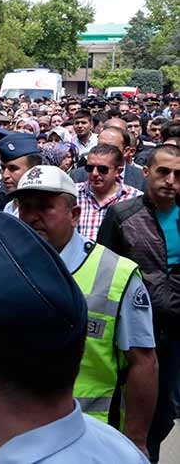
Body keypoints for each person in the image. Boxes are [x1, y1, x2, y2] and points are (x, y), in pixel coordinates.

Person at [0, 166, 157, 456]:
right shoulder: (5, 267)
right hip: (9, 431)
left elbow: (144, 364)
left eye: (45, 207)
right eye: (25, 207)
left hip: (85, 440)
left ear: (74, 215)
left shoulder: (116, 275)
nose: (32, 216)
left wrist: (136, 441)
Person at [97, 143, 180, 462]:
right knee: (125, 412)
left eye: (177, 174)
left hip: (172, 337)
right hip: (131, 335)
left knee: (163, 414)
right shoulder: (123, 215)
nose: (170, 180)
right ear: (146, 173)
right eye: (163, 172)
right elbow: (104, 272)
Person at [75, 144, 144, 242]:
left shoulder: (135, 199)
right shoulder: (73, 193)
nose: (94, 173)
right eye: (90, 168)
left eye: (102, 169)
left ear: (118, 171)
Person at [0, 133, 43, 217]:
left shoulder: (42, 210)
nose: (5, 175)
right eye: (3, 168)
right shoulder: (9, 206)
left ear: (33, 169)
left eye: (13, 168)